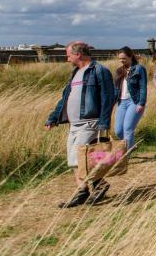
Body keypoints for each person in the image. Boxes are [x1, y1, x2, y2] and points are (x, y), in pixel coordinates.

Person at [44, 41, 115, 208]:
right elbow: (65, 99)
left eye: (68, 54)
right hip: (74, 124)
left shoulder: (99, 70)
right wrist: (53, 118)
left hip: (90, 123)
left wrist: (104, 123)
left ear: (78, 54)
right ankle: (83, 191)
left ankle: (98, 185)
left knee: (80, 159)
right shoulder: (75, 73)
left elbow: (108, 97)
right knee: (72, 161)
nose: (67, 58)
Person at [113, 46, 147, 150]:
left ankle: (127, 153)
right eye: (120, 58)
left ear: (130, 56)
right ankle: (130, 145)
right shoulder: (119, 70)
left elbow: (142, 87)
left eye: (124, 58)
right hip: (121, 102)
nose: (121, 60)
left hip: (134, 101)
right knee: (118, 130)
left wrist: (141, 103)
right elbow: (116, 88)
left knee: (128, 128)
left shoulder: (139, 69)